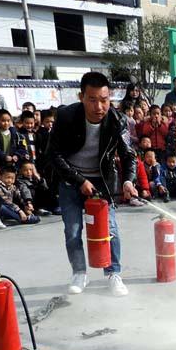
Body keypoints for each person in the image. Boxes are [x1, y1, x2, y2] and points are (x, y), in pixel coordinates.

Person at [48, 72, 139, 296]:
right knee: (73, 230)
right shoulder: (66, 116)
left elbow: (129, 155)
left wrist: (128, 181)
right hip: (71, 181)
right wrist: (79, 180)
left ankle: (113, 273)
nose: (99, 106)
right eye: (92, 99)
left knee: (110, 229)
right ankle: (80, 273)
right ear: (81, 97)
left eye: (104, 99)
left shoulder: (118, 121)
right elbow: (53, 154)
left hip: (101, 184)